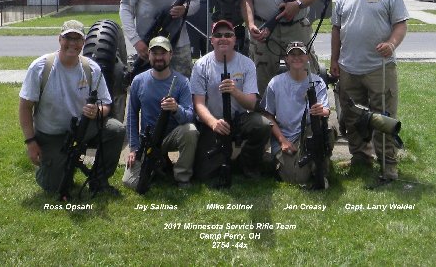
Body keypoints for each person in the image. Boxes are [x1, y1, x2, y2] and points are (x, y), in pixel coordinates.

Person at [330, 0, 409, 180]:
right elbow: (336, 29)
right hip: (348, 68)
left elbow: (401, 25)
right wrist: (334, 60)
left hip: (379, 68)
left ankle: (388, 164)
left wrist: (392, 44)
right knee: (352, 118)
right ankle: (361, 158)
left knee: (382, 117)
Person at [19, 20, 125, 194]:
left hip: (83, 128)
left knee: (116, 130)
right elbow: (24, 107)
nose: (72, 44)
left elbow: (106, 103)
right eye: (68, 38)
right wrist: (31, 142)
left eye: (78, 39)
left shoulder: (92, 69)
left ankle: (99, 181)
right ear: (59, 39)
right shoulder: (40, 67)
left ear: (84, 43)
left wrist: (97, 111)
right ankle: (49, 168)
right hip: (52, 135)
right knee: (55, 187)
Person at [190, 20, 271, 182]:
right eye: (218, 35)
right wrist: (213, 123)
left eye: (228, 35)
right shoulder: (200, 65)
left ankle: (249, 165)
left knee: (262, 124)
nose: (223, 38)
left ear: (235, 39)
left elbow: (251, 103)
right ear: (211, 40)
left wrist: (235, 91)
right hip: (213, 122)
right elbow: (198, 103)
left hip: (239, 119)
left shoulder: (247, 64)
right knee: (204, 176)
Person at [122, 36, 198, 189]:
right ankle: (158, 167)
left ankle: (182, 177)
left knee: (190, 131)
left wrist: (176, 109)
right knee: (130, 183)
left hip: (172, 136)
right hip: (147, 141)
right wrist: (134, 148)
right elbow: (131, 117)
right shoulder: (138, 81)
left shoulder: (182, 82)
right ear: (148, 55)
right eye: (154, 53)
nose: (158, 57)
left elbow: (190, 116)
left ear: (170, 55)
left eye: (163, 53)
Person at [261, 41, 331, 186]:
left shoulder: (318, 82)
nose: (297, 58)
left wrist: (320, 111)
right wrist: (282, 141)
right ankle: (273, 161)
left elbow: (326, 110)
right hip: (286, 138)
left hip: (309, 133)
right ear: (286, 59)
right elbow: (268, 116)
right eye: (292, 54)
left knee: (329, 129)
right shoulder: (275, 83)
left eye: (301, 54)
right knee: (297, 179)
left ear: (307, 58)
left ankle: (320, 166)